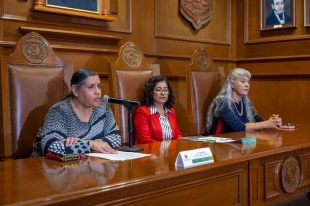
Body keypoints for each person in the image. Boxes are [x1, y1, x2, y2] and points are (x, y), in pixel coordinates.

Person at [31, 68, 121, 157]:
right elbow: (49, 146)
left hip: (89, 165)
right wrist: (90, 144)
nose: (97, 92)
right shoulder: (59, 111)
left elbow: (116, 139)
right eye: (91, 87)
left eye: (99, 86)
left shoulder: (104, 109)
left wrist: (84, 143)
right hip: (51, 167)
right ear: (75, 90)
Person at [206, 68, 282, 135]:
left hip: (241, 143)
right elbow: (236, 126)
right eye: (243, 81)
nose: (247, 85)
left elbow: (258, 120)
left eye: (248, 82)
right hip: (221, 144)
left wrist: (273, 122)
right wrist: (266, 124)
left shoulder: (246, 103)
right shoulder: (221, 102)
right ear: (232, 84)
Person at [134, 76, 182, 144]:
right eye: (158, 90)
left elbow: (177, 135)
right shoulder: (142, 112)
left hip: (170, 151)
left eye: (165, 90)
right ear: (151, 92)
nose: (163, 93)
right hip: (151, 152)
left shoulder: (171, 111)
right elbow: (145, 140)